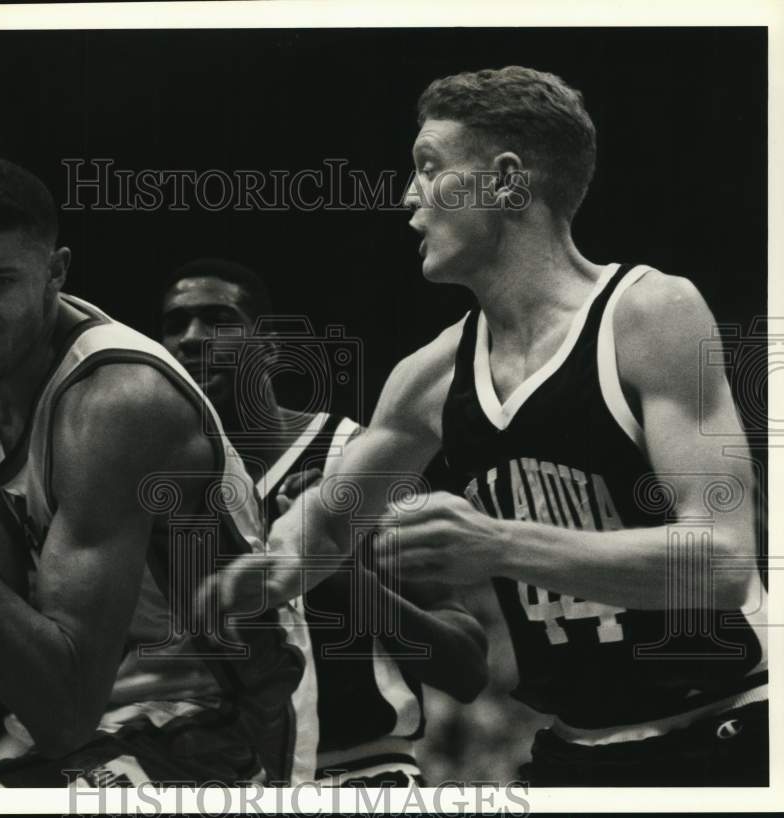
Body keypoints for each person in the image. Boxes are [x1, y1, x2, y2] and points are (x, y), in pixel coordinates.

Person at [207, 66, 768, 786]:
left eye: (429, 169)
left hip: (727, 730)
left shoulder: (648, 313)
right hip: (575, 748)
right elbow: (325, 525)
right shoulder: (430, 375)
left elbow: (722, 563)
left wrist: (499, 544)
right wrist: (270, 565)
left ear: (506, 182)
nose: (409, 197)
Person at [0, 158, 316, 787]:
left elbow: (63, 717)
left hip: (231, 720)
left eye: (0, 281)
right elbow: (24, 602)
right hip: (116, 694)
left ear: (55, 273)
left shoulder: (118, 403)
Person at [160, 258, 488, 785]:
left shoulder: (357, 461)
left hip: (363, 774)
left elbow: (466, 665)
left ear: (267, 347)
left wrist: (343, 577)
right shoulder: (175, 494)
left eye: (217, 320)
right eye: (174, 325)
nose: (192, 339)